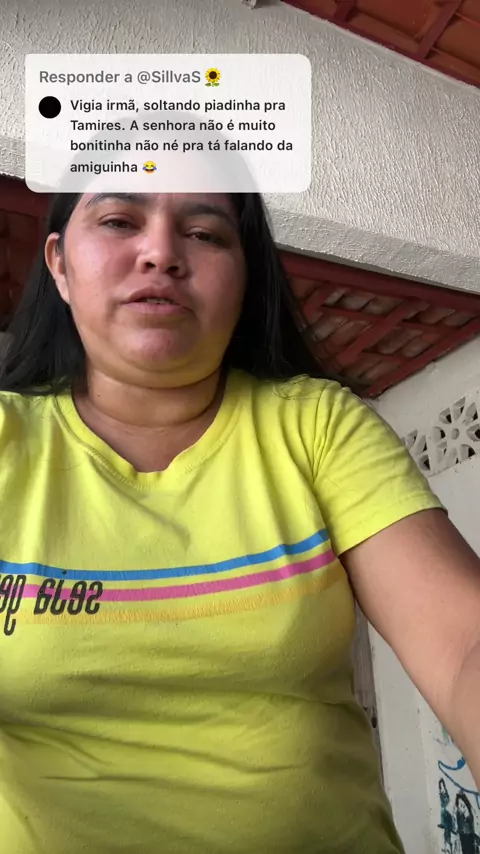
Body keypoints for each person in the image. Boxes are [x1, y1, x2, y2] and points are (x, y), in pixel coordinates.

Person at [0, 189, 479, 854]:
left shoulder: (318, 427)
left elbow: (463, 647)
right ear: (59, 263)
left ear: (245, 274)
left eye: (204, 233)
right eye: (118, 221)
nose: (161, 252)